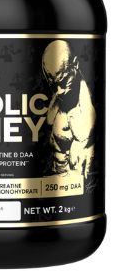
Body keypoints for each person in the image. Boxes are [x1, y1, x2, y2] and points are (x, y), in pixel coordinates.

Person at [42, 40, 96, 177]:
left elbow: (85, 134)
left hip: (77, 177)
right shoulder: (58, 97)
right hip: (55, 175)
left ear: (75, 65)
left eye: (63, 81)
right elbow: (49, 122)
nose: (59, 91)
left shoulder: (84, 107)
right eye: (53, 85)